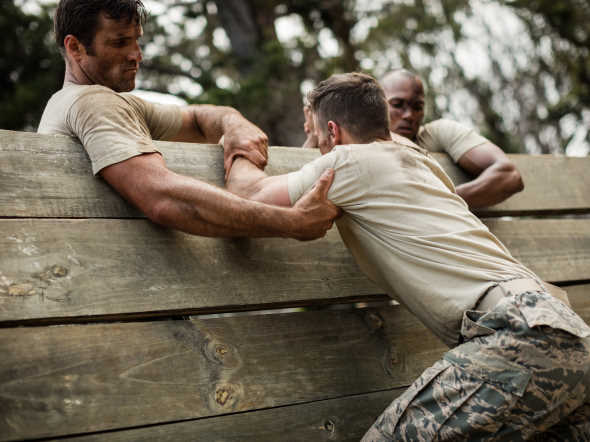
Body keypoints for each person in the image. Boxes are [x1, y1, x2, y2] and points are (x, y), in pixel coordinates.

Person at [227, 72, 590, 440]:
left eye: (320, 139)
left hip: (517, 338)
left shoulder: (349, 162)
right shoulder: (418, 158)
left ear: (334, 133)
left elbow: (248, 194)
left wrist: (234, 135)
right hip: (566, 330)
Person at [38, 0, 340, 241]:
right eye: (119, 43)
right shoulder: (92, 102)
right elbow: (162, 197)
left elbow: (196, 120)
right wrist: (292, 222)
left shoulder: (101, 102)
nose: (136, 55)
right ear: (75, 47)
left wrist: (232, 123)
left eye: (136, 41)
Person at [303, 69, 524, 209]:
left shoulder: (437, 132)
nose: (409, 115)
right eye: (398, 105)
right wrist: (314, 139)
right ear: (378, 105)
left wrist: (439, 203)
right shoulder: (353, 143)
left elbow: (509, 175)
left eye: (417, 107)